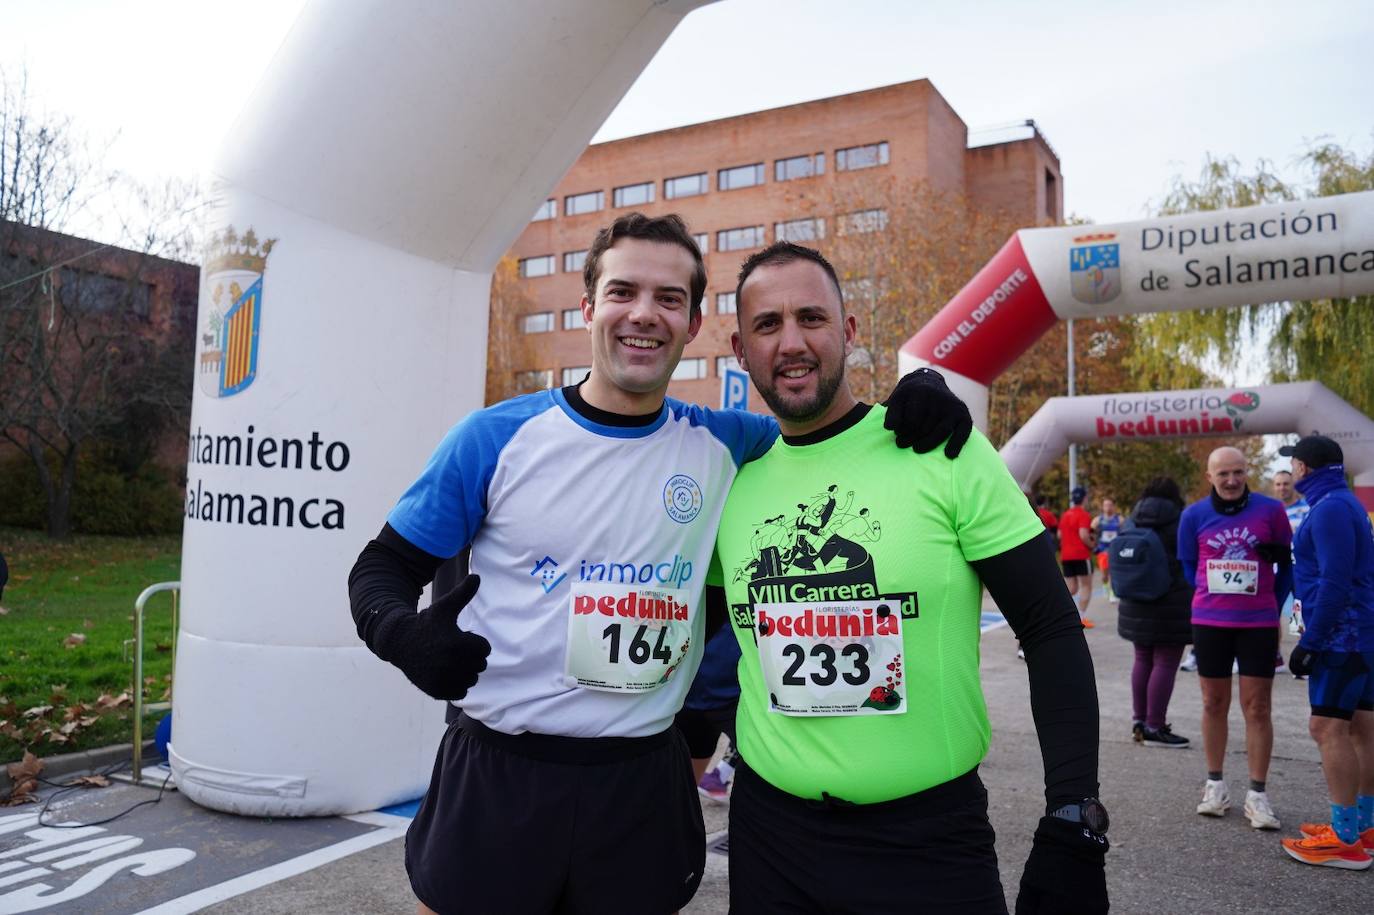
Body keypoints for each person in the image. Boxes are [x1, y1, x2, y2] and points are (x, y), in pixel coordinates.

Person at [345, 213, 972, 915]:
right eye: (623, 292)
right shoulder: (495, 437)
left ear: (695, 321)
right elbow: (379, 568)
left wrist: (914, 403)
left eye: (669, 298)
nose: (643, 314)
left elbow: (828, 427)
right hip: (499, 775)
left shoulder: (733, 444)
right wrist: (403, 635)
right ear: (589, 306)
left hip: (639, 783)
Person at [714, 242, 1107, 914]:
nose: (791, 341)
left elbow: (1048, 625)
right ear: (739, 347)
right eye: (767, 324)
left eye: (811, 317)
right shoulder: (729, 475)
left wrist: (1073, 815)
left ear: (849, 331)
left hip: (927, 845)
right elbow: (714, 635)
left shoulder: (942, 449)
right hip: (768, 840)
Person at [1179, 446, 1292, 830]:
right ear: (1210, 476)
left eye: (1238, 473)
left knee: (1257, 707)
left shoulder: (1271, 511)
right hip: (1210, 621)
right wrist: (1208, 597)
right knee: (1213, 702)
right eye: (1223, 474)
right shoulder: (1193, 515)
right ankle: (1215, 785)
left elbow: (1287, 566)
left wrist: (1269, 602)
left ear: (1247, 473)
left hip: (1257, 622)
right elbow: (1189, 566)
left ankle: (1258, 795)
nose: (1231, 480)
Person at [1276, 436, 1374, 869]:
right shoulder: (1344, 501)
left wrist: (1311, 641)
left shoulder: (1331, 507)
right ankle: (1362, 827)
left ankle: (1346, 840)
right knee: (1362, 728)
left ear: (1302, 467)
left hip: (1341, 637)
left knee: (1327, 728)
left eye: (1293, 464)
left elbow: (1335, 581)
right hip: (1359, 633)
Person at [1114, 478, 1193, 748]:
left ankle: (1139, 721)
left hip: (1135, 600)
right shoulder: (1181, 520)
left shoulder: (1132, 520)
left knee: (1142, 657)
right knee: (1166, 661)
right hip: (1171, 601)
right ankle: (1155, 726)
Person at [675, 623, 741, 801]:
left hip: (736, 694)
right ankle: (719, 776)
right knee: (679, 795)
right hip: (687, 688)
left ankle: (720, 775)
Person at [1273, 469, 1311, 667]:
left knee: (1299, 614)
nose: (1282, 488)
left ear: (1293, 485)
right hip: (1277, 570)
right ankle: (1275, 657)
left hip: (1300, 570)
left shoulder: (1307, 508)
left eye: (1286, 484)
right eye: (1278, 484)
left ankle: (1301, 659)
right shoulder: (1271, 511)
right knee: (1273, 613)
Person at [1060, 486, 1096, 627]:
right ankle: (1080, 618)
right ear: (1084, 499)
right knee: (1086, 586)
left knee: (1071, 588)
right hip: (1081, 554)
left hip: (1066, 556)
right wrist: (1092, 545)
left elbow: (1059, 535)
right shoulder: (1083, 515)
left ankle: (1061, 613)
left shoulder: (1065, 515)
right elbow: (1083, 535)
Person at [1092, 497, 1124, 603]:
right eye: (1106, 505)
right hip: (1102, 550)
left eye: (1110, 505)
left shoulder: (1119, 519)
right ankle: (1105, 585)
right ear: (1102, 507)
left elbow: (1125, 533)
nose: (1108, 507)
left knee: (1113, 572)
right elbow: (1090, 532)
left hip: (1115, 549)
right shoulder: (1098, 520)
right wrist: (1094, 545)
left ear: (1114, 506)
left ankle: (1112, 593)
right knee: (1105, 574)